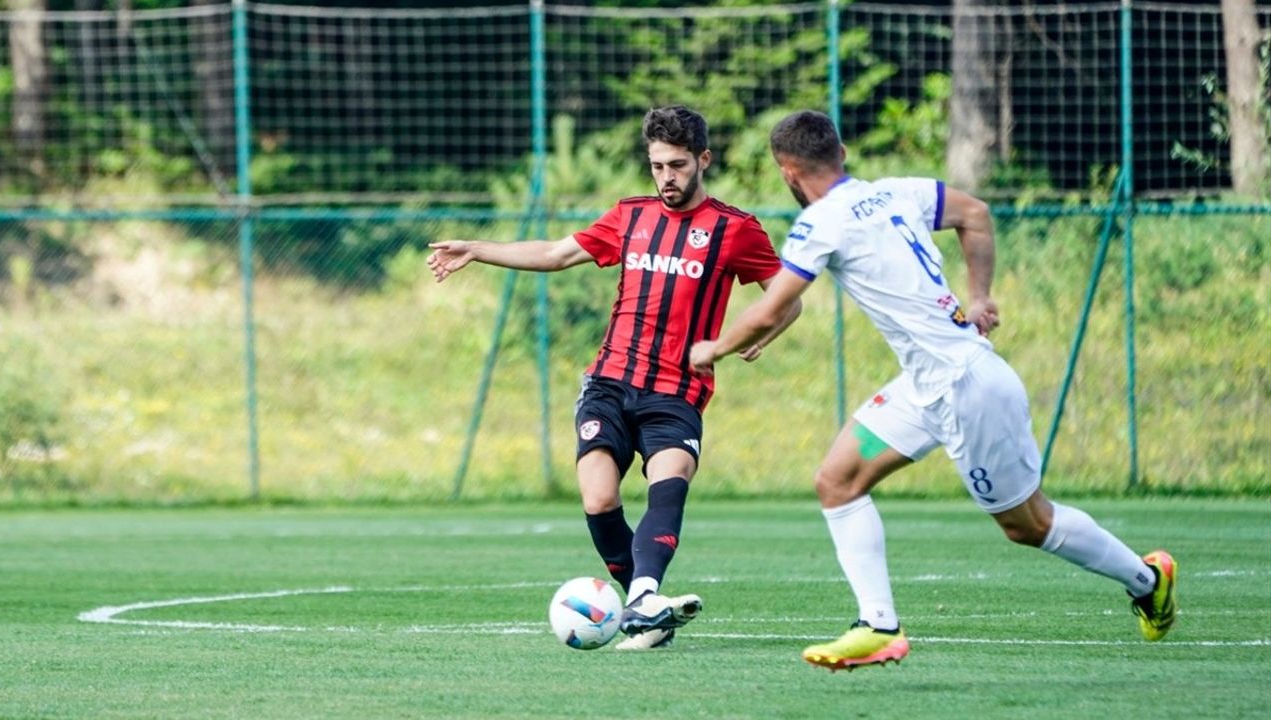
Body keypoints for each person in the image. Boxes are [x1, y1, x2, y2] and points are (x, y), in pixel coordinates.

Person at [689, 110, 1177, 670]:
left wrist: (716, 347)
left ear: (788, 172)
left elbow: (773, 304)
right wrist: (981, 296)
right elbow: (975, 213)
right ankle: (878, 626)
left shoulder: (821, 221)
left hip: (966, 391)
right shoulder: (898, 191)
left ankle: (1147, 578)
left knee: (1027, 524)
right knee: (838, 480)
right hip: (922, 391)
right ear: (842, 153)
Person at [428, 105, 799, 650]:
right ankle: (645, 609)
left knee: (667, 482)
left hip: (677, 389)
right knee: (599, 500)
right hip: (610, 382)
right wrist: (478, 250)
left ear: (703, 160)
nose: (666, 178)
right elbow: (556, 254)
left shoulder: (734, 229)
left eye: (676, 165)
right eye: (656, 166)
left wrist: (759, 333)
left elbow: (786, 296)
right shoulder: (630, 216)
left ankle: (646, 594)